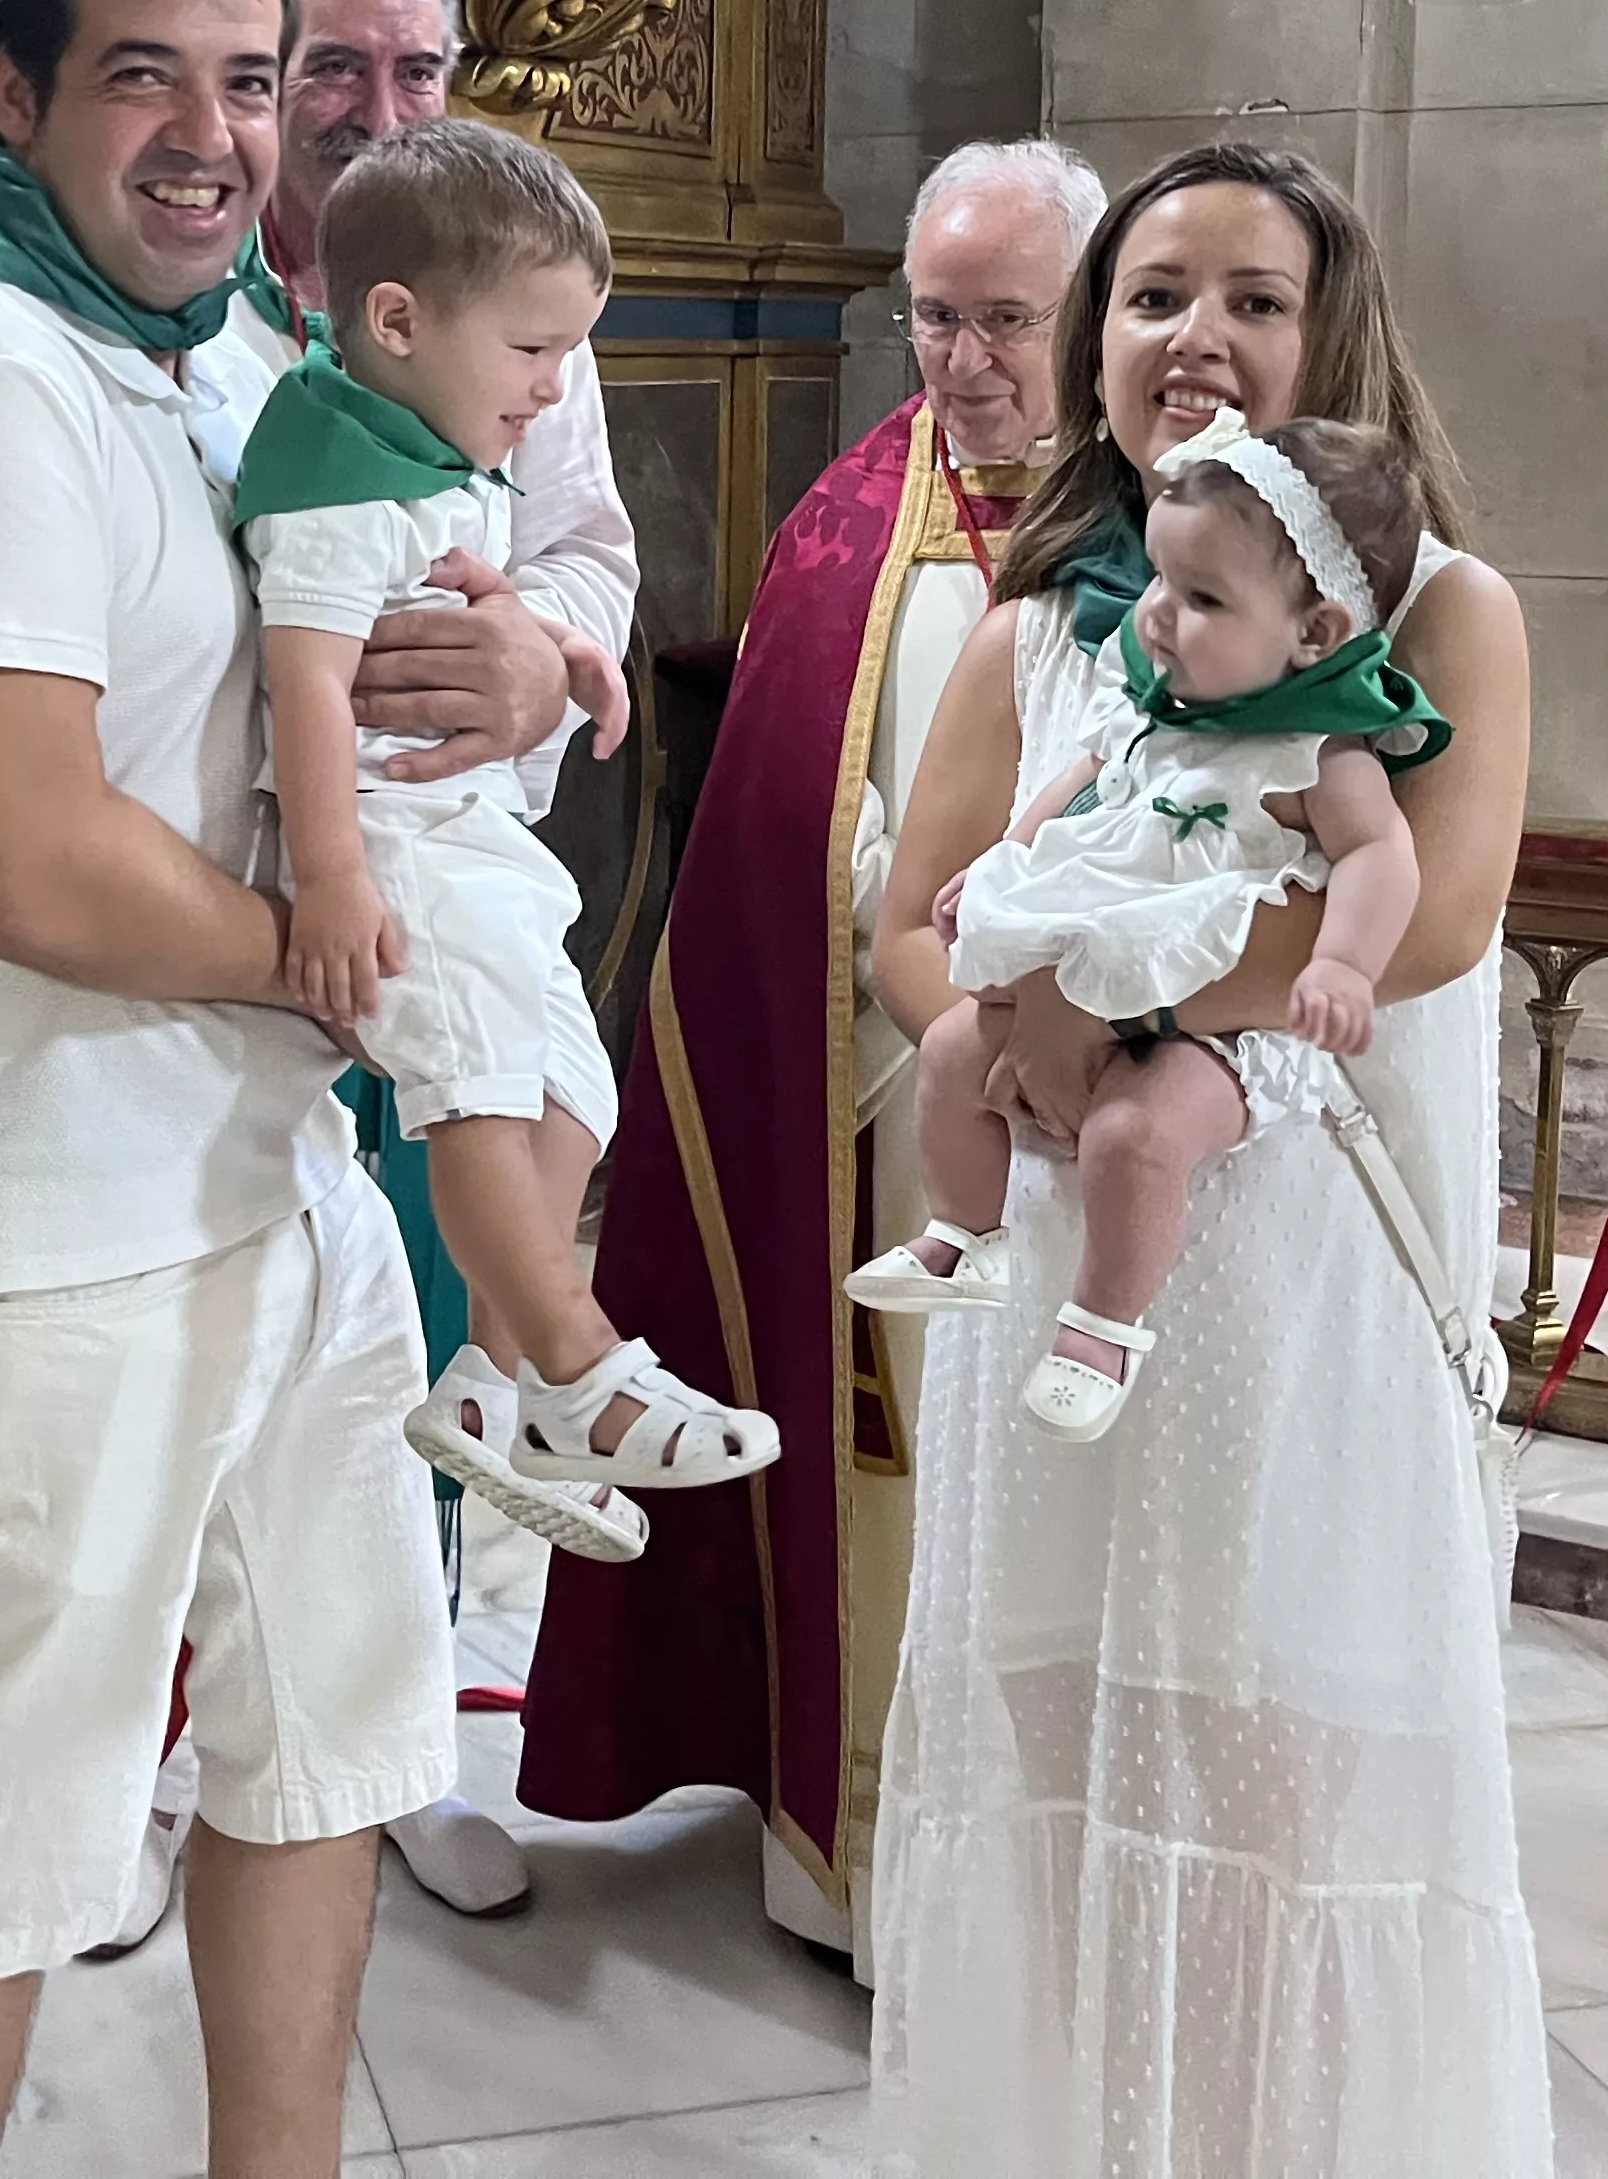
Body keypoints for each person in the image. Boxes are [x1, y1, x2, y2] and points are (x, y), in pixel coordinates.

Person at [0, 0, 448, 2179]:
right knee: (14, 1833)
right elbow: (14, 847)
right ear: (14, 90)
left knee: (331, 1747)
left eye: (252, 84)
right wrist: (334, 958)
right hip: (52, 1223)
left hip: (274, 1179)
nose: (211, 136)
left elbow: (317, 683)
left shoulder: (237, 357)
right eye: (145, 76)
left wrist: (479, 670)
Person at [866, 147, 1546, 2172]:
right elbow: (911, 920)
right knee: (1065, 1767)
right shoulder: (1035, 630)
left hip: (1290, 1277)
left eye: (1255, 296)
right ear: (1098, 340)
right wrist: (996, 1038)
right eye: (1158, 295)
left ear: (1332, 334)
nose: (1202, 338)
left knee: (1284, 1790)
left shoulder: (1440, 615)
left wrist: (1101, 1012)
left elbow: (1437, 917)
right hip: (1065, 1269)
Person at [110, 0, 644, 1944]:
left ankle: (388, 1738)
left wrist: (539, 664)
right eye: (336, 65)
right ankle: (161, 1765)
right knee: (203, 1345)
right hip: (221, 920)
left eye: (419, 72)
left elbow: (584, 549)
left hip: (424, 889)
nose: (379, 106)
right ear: (262, 73)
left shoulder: (509, 302)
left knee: (417, 1326)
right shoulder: (188, 289)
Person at [517, 139, 1103, 1970]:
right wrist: (931, 974)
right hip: (890, 1096)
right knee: (891, 1470)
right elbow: (794, 827)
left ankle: (1050, 1869)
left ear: (1081, 310)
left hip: (1105, 1114)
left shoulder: (1172, 520)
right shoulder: (852, 522)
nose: (961, 358)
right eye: (932, 314)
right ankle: (859, 1861)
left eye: (1004, 318)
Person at [244, 117, 779, 1547]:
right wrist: (335, 878)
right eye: (534, 358)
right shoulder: (339, 470)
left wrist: (558, 649)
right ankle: (579, 1360)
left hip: (472, 825)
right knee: (478, 1085)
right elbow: (306, 685)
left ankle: (488, 1381)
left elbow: (548, 563)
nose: (552, 392)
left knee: (570, 1084)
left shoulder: (428, 417)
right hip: (393, 836)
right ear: (401, 319)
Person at [856, 416, 1442, 1444]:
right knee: (952, 1050)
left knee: (1137, 1135)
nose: (1160, 616)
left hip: (1211, 1020)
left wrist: (1345, 962)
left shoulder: (1320, 755)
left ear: (1314, 633)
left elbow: (1381, 858)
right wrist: (999, 875)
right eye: (1163, 584)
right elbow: (1071, 791)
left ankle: (1105, 1325)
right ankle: (965, 1229)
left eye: (1202, 598)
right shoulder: (1145, 709)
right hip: (1092, 949)